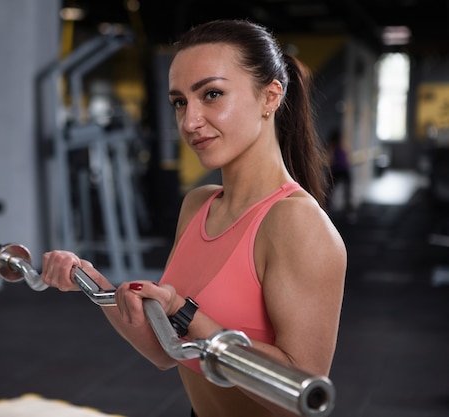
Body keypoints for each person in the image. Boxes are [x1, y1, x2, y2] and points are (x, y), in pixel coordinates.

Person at [40, 19, 347, 417]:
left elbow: (299, 398)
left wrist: (187, 313)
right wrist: (89, 280)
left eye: (212, 94)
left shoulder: (296, 224)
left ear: (271, 96)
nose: (189, 122)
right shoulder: (199, 205)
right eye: (180, 102)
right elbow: (165, 350)